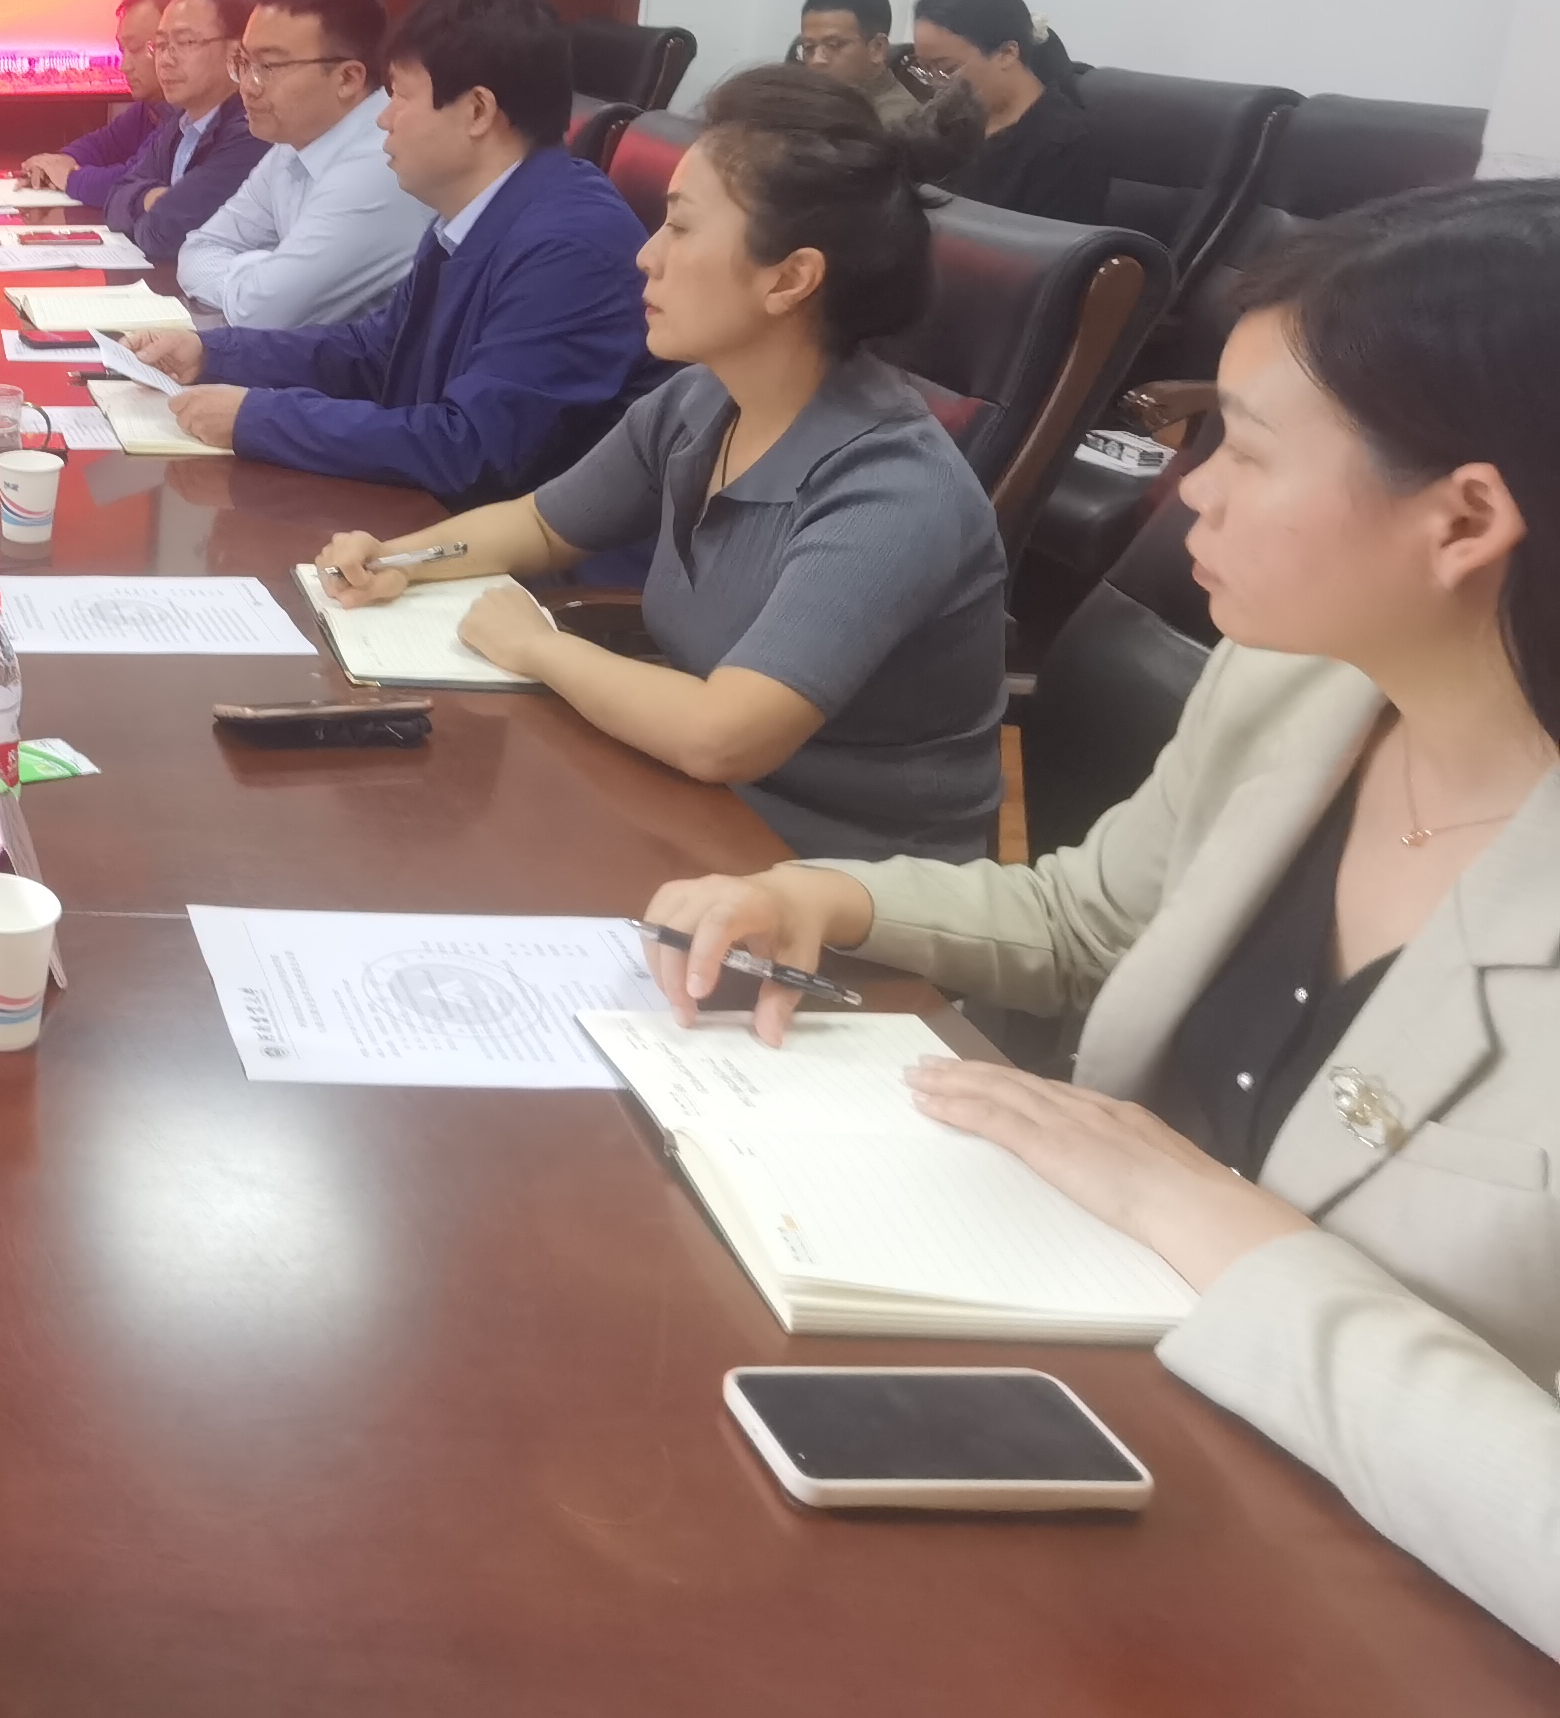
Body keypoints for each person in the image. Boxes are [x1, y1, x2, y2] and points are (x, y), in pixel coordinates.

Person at [641, 181, 1560, 1657]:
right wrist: (830, 893)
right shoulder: (1298, 686)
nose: (1188, 493)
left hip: (1365, 1610)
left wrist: (1207, 1221)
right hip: (1093, 1427)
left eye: (1244, 450)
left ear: (1465, 519)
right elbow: (1089, 921)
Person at [313, 67, 1005, 860]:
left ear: (790, 278)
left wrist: (538, 645)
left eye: (679, 227)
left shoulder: (892, 491)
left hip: (838, 881)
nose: (646, 256)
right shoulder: (705, 400)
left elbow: (722, 736)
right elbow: (542, 525)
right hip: (686, 813)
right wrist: (399, 561)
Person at [126, 0, 662, 504]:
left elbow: (471, 450)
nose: (384, 119)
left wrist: (258, 418)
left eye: (401, 96)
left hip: (511, 544)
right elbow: (375, 351)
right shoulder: (472, 214)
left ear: (477, 111)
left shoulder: (567, 246)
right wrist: (211, 353)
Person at [174, 0, 431, 332]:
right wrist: (267, 273)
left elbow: (263, 312)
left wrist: (264, 279)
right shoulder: (294, 142)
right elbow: (199, 248)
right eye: (244, 63)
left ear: (348, 78)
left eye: (269, 66)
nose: (248, 85)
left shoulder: (382, 161)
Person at [910, 0, 1100, 221]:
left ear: (1007, 53)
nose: (936, 83)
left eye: (947, 69)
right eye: (925, 69)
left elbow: (1048, 242)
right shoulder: (947, 123)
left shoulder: (1065, 146)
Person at [107, 0, 267, 262]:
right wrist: (151, 198)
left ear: (237, 52)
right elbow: (114, 200)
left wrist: (153, 209)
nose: (166, 60)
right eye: (160, 46)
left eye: (186, 43)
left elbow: (164, 235)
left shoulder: (251, 131)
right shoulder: (180, 123)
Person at [16, 0, 176, 206]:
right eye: (122, 50)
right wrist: (54, 164)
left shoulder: (188, 117)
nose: (124, 66)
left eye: (135, 49)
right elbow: (102, 145)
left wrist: (69, 177)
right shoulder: (150, 109)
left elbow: (132, 181)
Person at [793, 0, 925, 130]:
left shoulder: (898, 123)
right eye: (809, 47)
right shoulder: (816, 100)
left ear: (877, 48)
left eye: (833, 45)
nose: (817, 60)